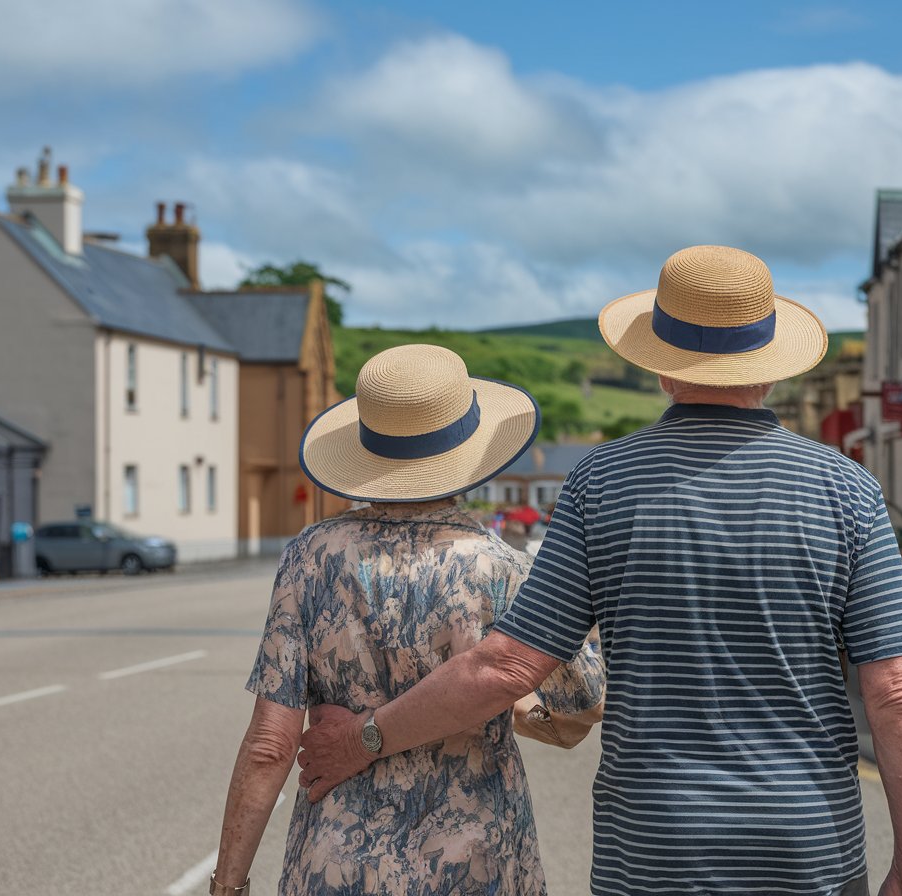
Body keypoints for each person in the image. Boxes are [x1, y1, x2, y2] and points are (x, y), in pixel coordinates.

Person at [298, 246, 902, 896]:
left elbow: (506, 668)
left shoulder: (603, 483)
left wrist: (365, 738)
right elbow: (897, 695)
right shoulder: (845, 489)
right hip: (809, 848)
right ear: (768, 370)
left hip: (654, 848)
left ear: (662, 369)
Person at [210, 344, 605, 896]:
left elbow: (270, 746)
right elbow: (580, 704)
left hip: (336, 861)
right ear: (467, 451)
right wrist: (502, 705)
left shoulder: (309, 558)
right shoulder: (506, 568)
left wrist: (228, 884)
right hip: (475, 861)